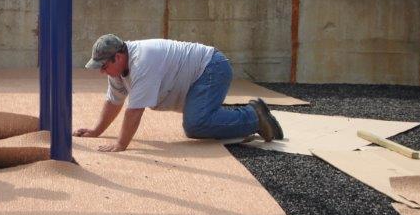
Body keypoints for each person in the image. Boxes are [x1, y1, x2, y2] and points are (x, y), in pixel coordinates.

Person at [74, 34, 284, 152]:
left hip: (211, 68)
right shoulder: (117, 70)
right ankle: (234, 116)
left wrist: (120, 144)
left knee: (195, 124)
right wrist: (96, 131)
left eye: (103, 66)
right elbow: (114, 102)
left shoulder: (142, 62)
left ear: (118, 57)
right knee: (199, 120)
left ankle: (254, 116)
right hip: (200, 75)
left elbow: (134, 110)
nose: (101, 71)